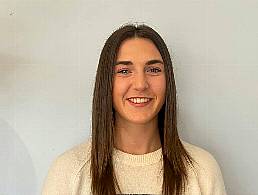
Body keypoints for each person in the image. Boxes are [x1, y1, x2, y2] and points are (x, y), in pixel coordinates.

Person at [42, 23, 227, 195]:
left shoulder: (202, 170)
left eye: (153, 70)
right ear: (106, 82)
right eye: (124, 71)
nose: (140, 84)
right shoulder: (69, 172)